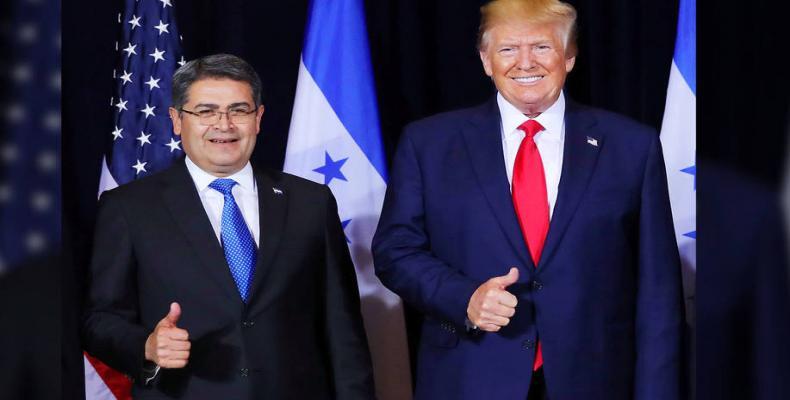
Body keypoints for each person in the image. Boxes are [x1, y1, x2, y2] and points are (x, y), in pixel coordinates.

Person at [371, 0, 684, 398]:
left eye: (541, 47)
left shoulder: (630, 146)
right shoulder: (429, 144)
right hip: (471, 378)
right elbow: (395, 251)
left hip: (595, 381)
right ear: (486, 60)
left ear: (569, 56)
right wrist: (463, 297)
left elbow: (658, 290)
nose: (525, 63)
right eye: (507, 49)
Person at [82, 54, 374, 399]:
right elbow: (99, 320)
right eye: (206, 111)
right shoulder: (129, 207)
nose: (224, 124)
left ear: (258, 118)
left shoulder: (311, 202)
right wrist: (146, 345)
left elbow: (343, 330)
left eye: (239, 110)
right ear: (177, 120)